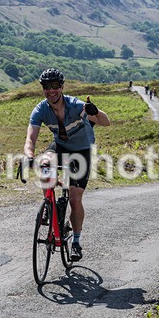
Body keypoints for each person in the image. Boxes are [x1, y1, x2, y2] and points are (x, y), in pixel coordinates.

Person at [24, 69, 111, 261]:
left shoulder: (76, 106)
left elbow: (106, 122)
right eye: (47, 87)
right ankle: (48, 205)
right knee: (45, 162)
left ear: (62, 87)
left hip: (81, 150)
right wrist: (29, 155)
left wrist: (96, 111)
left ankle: (76, 243)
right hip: (61, 146)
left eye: (55, 86)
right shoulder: (40, 109)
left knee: (74, 199)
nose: (51, 90)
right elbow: (31, 138)